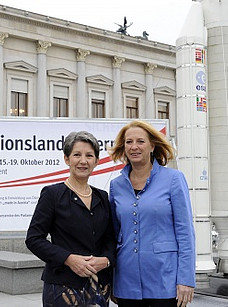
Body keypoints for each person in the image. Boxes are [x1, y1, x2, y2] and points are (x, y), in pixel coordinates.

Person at [108, 120, 196, 307]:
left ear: (152, 145)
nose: (134, 147)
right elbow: (114, 236)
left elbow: (185, 233)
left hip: (165, 280)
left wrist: (186, 279)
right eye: (129, 142)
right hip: (126, 282)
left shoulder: (173, 179)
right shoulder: (116, 186)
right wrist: (113, 281)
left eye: (140, 141)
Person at [26, 131, 115, 307]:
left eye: (89, 155)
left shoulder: (102, 197)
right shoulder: (52, 194)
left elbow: (111, 239)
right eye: (77, 155)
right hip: (62, 288)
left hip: (99, 287)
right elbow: (34, 239)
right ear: (67, 159)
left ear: (96, 161)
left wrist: (106, 260)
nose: (83, 161)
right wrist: (68, 259)